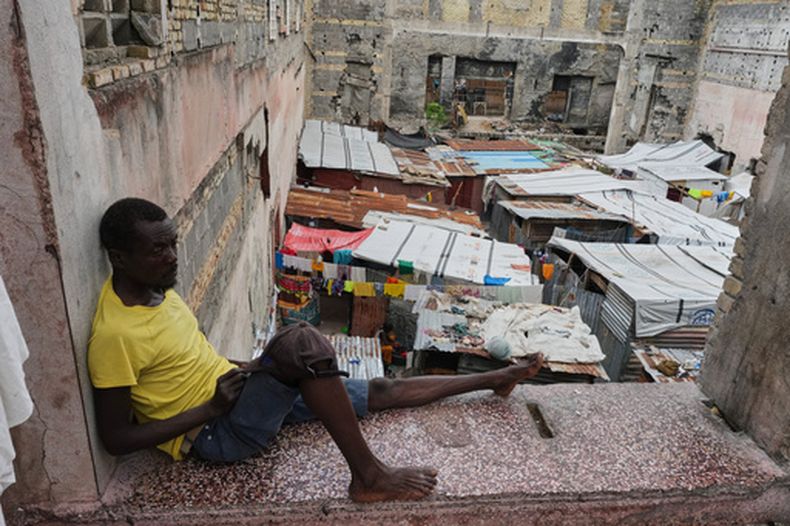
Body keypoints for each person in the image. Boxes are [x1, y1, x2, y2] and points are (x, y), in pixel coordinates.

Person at [88, 198, 544, 503]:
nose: (171, 257)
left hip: (237, 395)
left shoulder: (159, 292)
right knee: (300, 340)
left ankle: (494, 378)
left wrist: (246, 369)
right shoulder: (115, 334)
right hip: (216, 433)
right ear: (119, 257)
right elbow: (116, 439)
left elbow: (187, 361)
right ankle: (368, 476)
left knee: (381, 387)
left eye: (172, 244)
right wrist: (208, 409)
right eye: (157, 250)